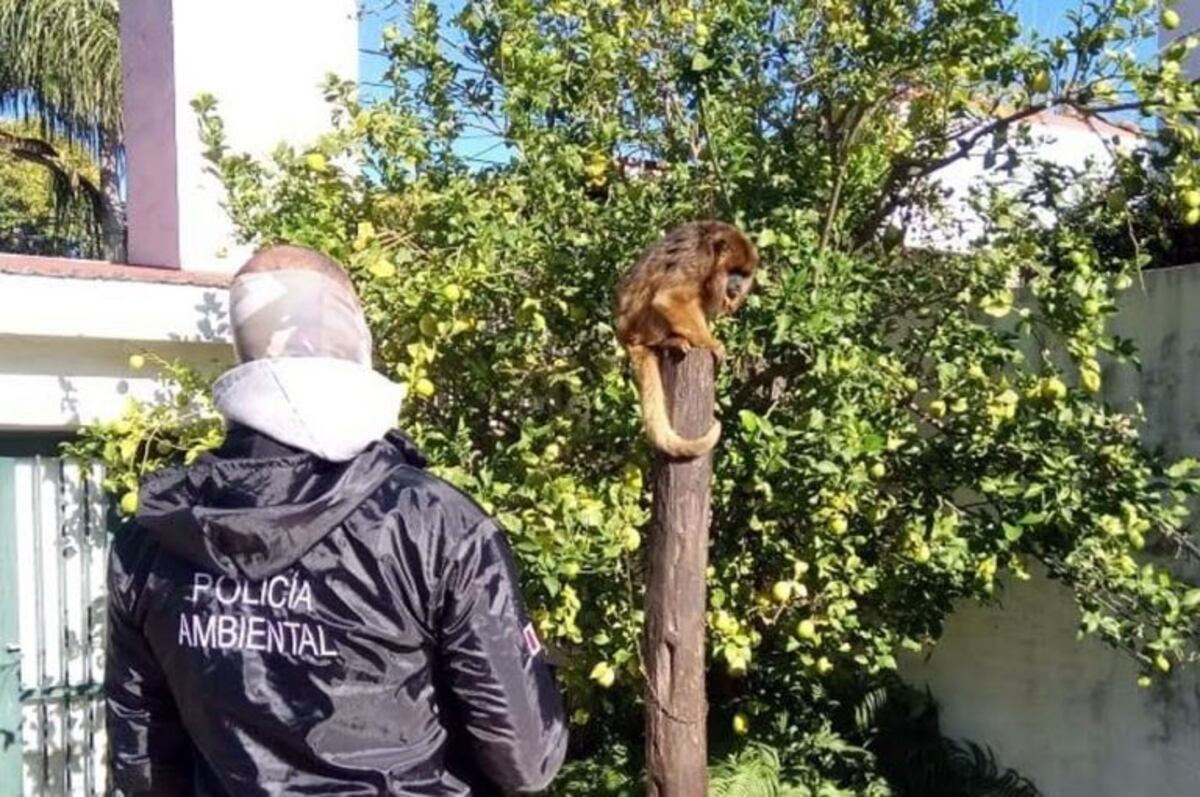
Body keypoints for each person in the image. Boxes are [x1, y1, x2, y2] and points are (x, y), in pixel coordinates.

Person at [105, 245, 568, 795]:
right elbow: (526, 758)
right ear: (354, 339)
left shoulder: (152, 538)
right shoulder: (433, 524)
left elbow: (142, 763)